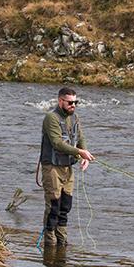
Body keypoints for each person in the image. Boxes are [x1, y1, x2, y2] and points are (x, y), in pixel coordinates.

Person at [38, 87, 94, 248]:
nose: (73, 105)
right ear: (60, 101)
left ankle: (62, 242)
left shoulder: (74, 117)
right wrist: (80, 152)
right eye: (70, 102)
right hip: (52, 168)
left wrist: (85, 155)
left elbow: (81, 137)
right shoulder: (51, 118)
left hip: (67, 168)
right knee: (53, 205)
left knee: (65, 205)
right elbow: (57, 143)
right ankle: (50, 242)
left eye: (76, 102)